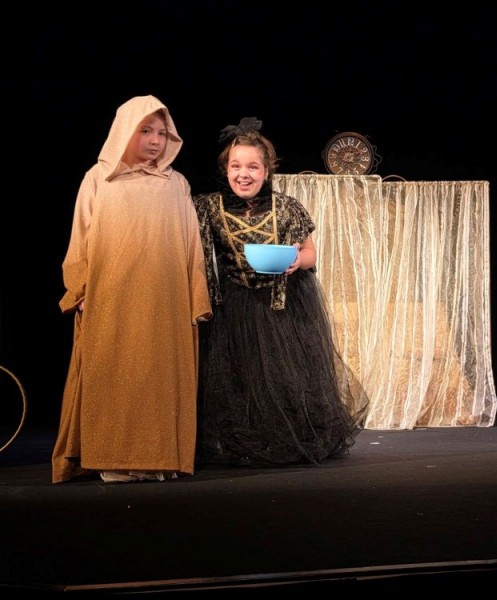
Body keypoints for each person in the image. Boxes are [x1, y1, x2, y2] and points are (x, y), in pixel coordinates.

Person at [51, 95, 212, 484]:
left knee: (159, 379)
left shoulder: (175, 184)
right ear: (125, 130)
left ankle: (157, 459)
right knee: (114, 376)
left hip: (166, 300)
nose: (155, 140)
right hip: (112, 298)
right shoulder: (98, 179)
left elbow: (192, 246)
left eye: (162, 133)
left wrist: (196, 298)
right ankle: (114, 460)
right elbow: (80, 237)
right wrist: (79, 289)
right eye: (145, 131)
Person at [192, 117, 368, 467]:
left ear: (266, 170)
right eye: (236, 166)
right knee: (237, 378)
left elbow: (310, 252)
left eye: (252, 167)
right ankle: (241, 444)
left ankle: (280, 442)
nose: (243, 174)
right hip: (232, 307)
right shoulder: (208, 207)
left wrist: (297, 261)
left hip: (281, 307)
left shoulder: (287, 207)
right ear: (225, 169)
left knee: (281, 378)